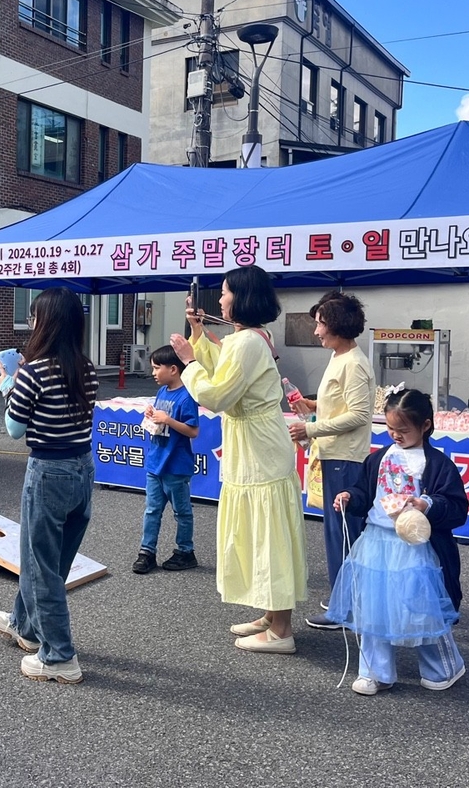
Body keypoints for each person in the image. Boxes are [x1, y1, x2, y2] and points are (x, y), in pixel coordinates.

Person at [169, 265, 307, 654]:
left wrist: (189, 362)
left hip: (258, 447)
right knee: (260, 532)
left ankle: (281, 629)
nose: (222, 299)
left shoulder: (247, 341)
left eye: (226, 292)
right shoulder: (247, 337)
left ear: (241, 298)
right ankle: (271, 614)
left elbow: (216, 394)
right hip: (254, 444)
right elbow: (222, 368)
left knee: (268, 534)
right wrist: (197, 339)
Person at [327, 388, 468, 696]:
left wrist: (427, 504)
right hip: (376, 541)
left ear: (426, 425)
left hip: (417, 546)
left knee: (422, 607)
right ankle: (375, 671)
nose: (396, 435)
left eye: (403, 430)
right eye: (390, 429)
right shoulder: (378, 459)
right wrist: (351, 497)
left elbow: (457, 507)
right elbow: (366, 493)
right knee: (372, 608)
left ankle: (444, 666)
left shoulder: (438, 464)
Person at [0, 288, 98, 684]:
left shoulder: (33, 372)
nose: (30, 323)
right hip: (83, 470)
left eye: (34, 317)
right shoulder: (85, 367)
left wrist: (7, 383)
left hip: (48, 471)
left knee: (40, 567)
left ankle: (59, 657)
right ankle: (26, 624)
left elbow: (14, 429)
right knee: (52, 560)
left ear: (45, 323)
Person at [286, 291, 374, 630]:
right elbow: (343, 408)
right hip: (336, 455)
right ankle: (343, 597)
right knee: (338, 533)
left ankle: (344, 609)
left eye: (320, 324)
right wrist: (313, 407)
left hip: (344, 458)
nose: (316, 331)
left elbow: (359, 415)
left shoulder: (352, 363)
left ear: (335, 326)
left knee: (342, 535)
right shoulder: (342, 357)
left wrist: (312, 429)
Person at [132, 345, 201, 575]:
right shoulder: (162, 392)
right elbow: (159, 422)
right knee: (152, 510)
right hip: (155, 463)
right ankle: (147, 552)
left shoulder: (187, 396)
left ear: (173, 369)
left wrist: (168, 420)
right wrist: (152, 418)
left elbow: (193, 431)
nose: (153, 372)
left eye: (156, 367)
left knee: (182, 512)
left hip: (176, 466)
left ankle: (185, 551)